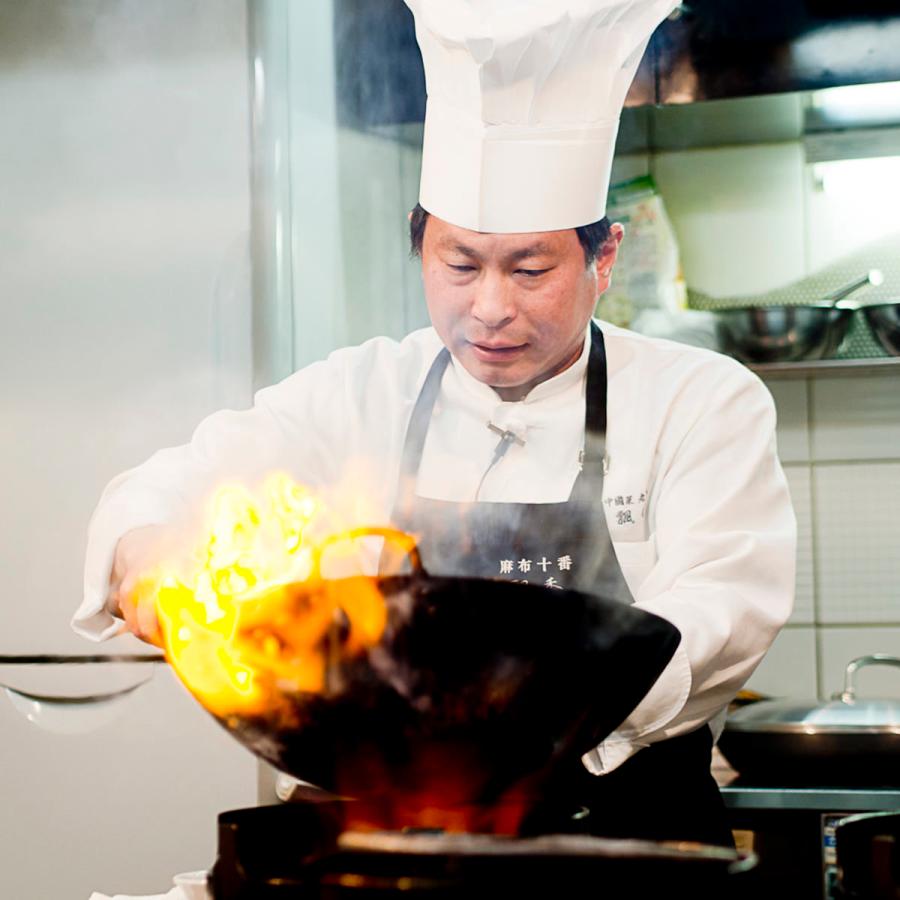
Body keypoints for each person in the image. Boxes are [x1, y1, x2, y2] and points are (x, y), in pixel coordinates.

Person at [72, 0, 796, 847]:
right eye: (459, 264)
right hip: (396, 839)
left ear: (604, 259)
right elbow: (171, 485)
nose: (489, 308)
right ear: (420, 248)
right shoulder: (364, 391)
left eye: (530, 269)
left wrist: (531, 711)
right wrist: (148, 556)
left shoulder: (699, 398)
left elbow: (724, 608)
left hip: (628, 834)